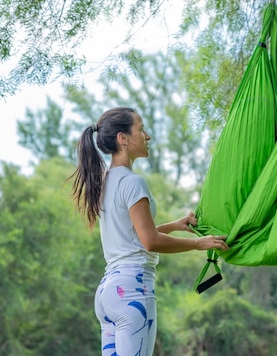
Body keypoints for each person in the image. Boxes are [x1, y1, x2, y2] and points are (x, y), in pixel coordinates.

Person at [70, 107, 229, 356]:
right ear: (123, 139)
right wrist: (200, 244)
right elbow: (150, 242)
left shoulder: (105, 183)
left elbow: (132, 235)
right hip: (133, 290)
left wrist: (175, 226)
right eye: (141, 129)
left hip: (108, 294)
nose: (148, 136)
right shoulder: (133, 182)